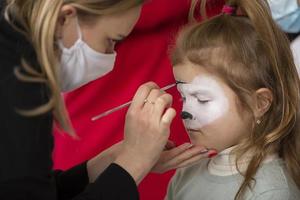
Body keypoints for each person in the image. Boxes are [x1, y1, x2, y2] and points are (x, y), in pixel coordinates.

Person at [0, 0, 215, 199]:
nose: (111, 56)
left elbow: (34, 189)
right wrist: (134, 161)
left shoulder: (15, 55)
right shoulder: (19, 91)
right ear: (65, 18)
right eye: (111, 40)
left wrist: (118, 157)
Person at [165, 0, 300, 199]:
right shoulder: (186, 174)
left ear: (260, 103)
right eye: (183, 96)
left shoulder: (271, 192)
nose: (185, 111)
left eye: (202, 99)